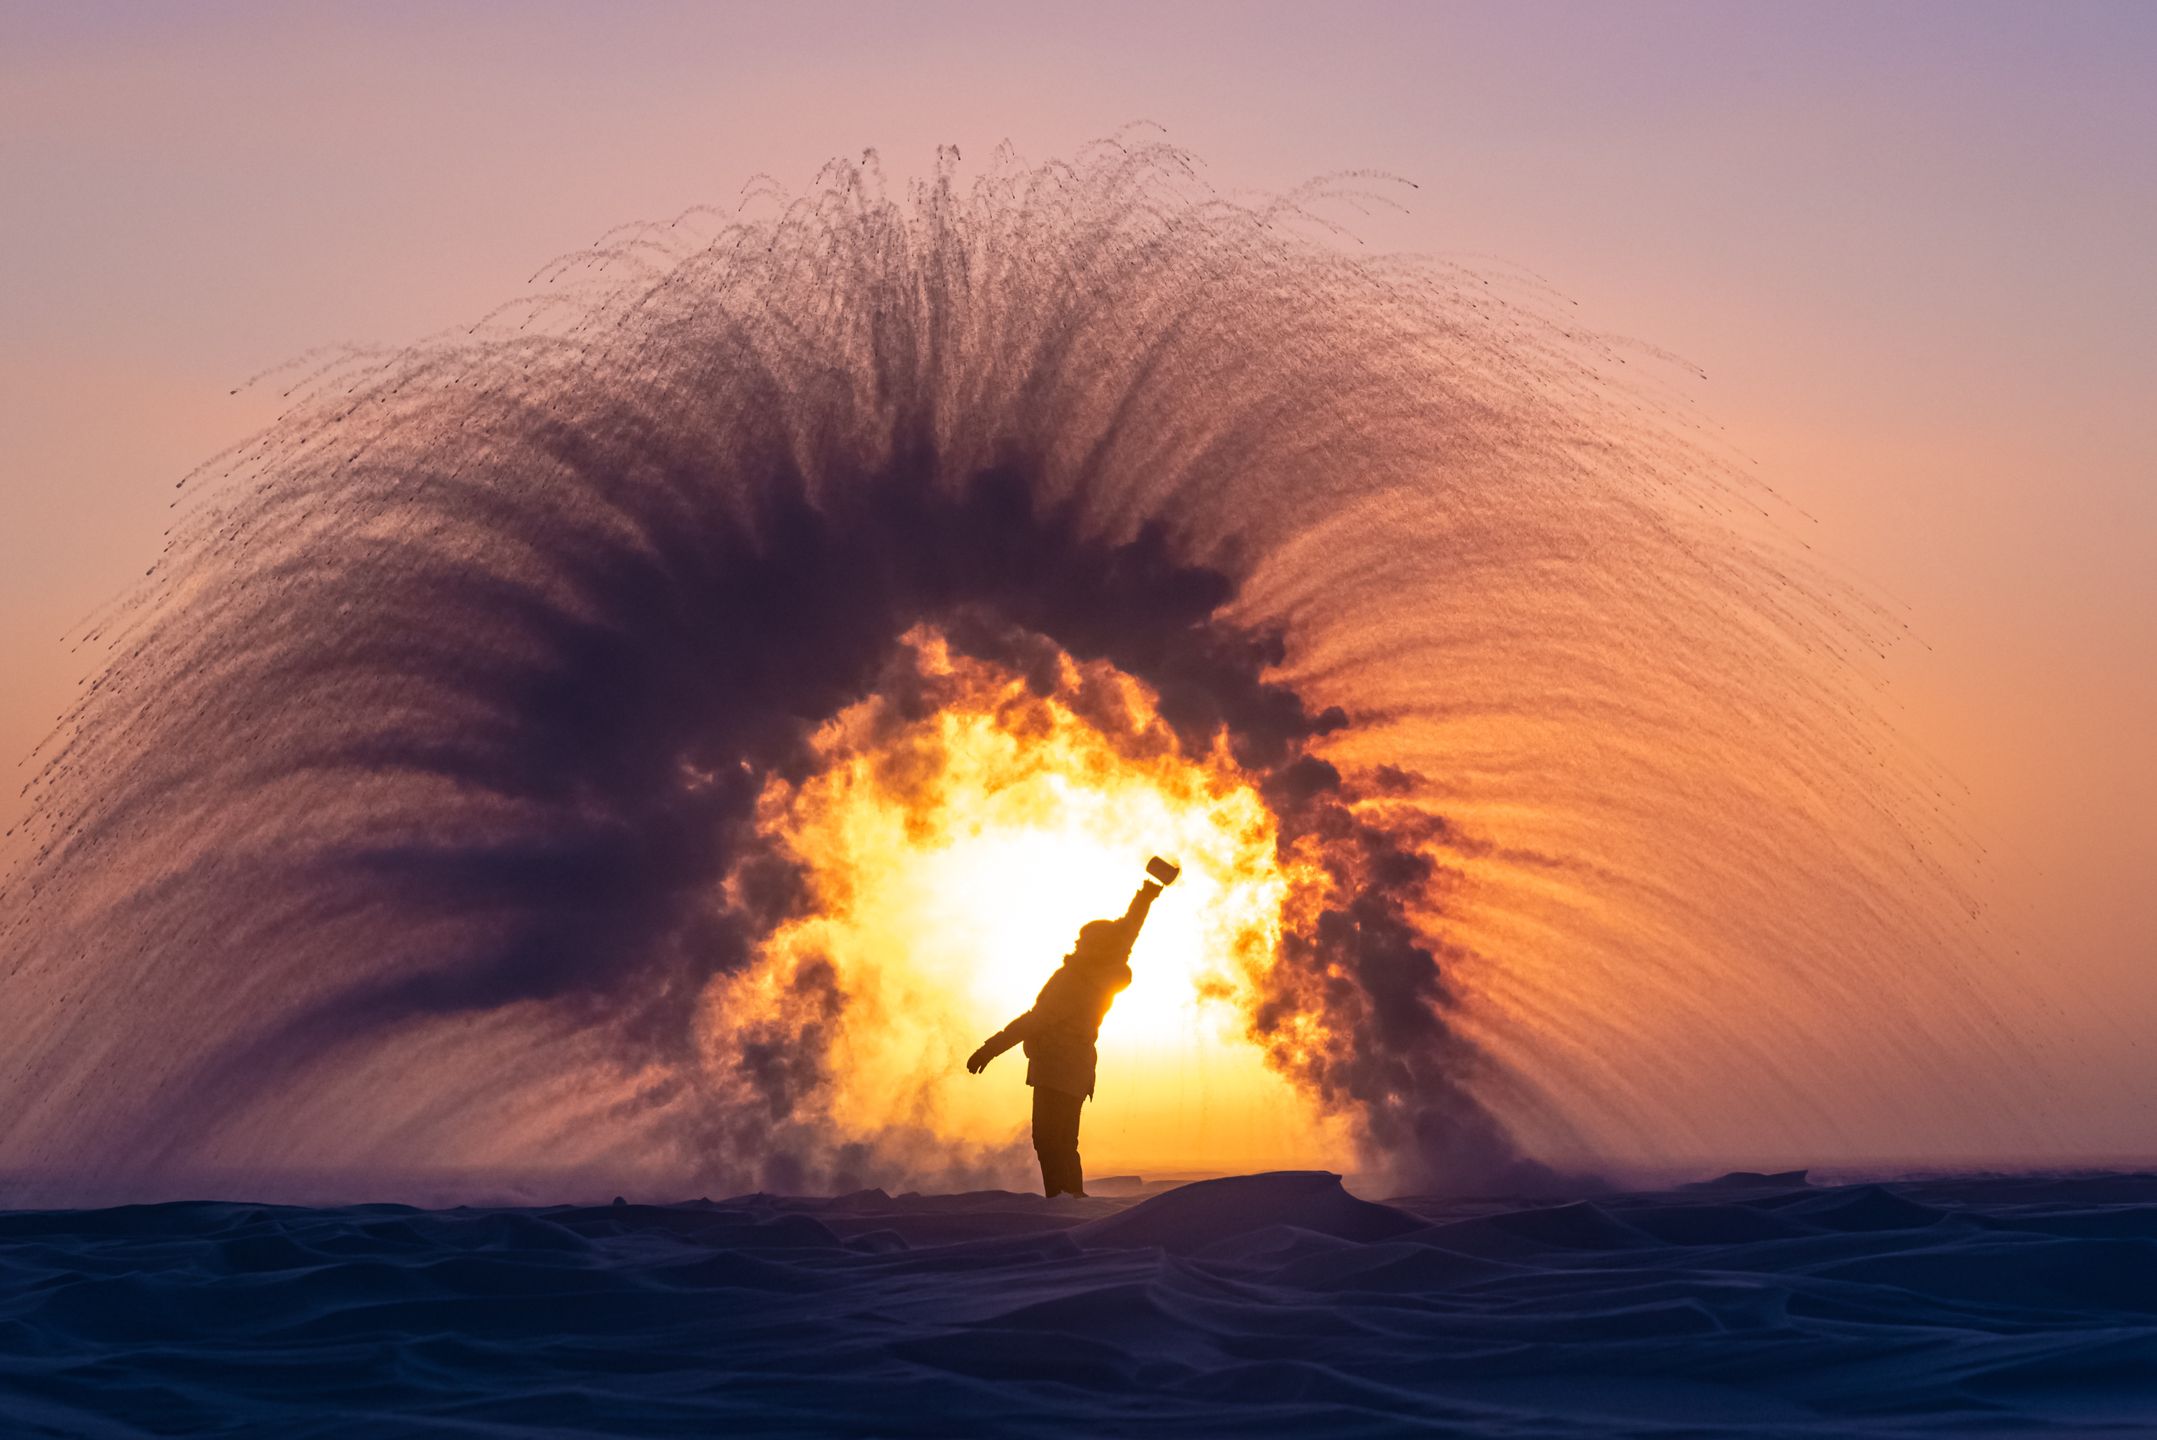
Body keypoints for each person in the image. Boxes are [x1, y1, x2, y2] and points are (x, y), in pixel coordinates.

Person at [966, 860, 1178, 1197]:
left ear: (1094, 947)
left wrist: (989, 1048)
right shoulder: (1106, 967)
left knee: (1051, 1141)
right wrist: (1149, 892)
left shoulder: (1077, 982)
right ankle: (1070, 1199)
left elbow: (1034, 1020)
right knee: (1063, 1141)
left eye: (1084, 940)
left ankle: (1064, 1203)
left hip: (1056, 1068)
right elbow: (1128, 930)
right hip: (1076, 1068)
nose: (1078, 943)